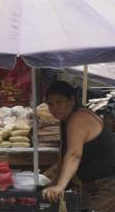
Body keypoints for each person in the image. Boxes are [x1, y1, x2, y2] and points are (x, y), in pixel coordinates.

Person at [42, 81, 115, 212]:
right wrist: (56, 182)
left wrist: (59, 186)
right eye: (50, 104)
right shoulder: (66, 120)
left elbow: (74, 154)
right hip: (98, 184)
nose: (55, 108)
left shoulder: (79, 118)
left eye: (60, 102)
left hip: (110, 183)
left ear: (72, 100)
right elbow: (63, 154)